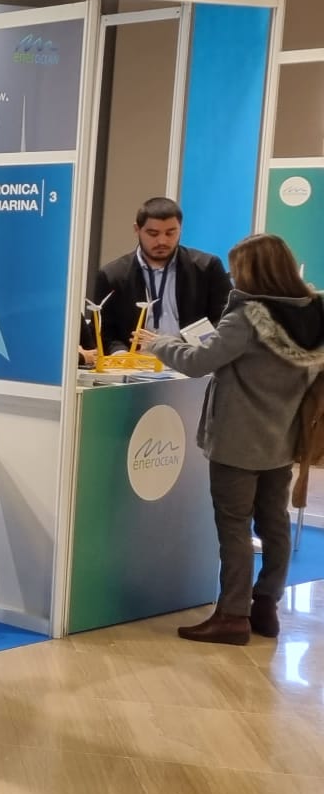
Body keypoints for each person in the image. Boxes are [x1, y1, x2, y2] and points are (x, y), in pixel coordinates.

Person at [138, 234, 324, 645]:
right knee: (274, 523)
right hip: (284, 438)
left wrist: (161, 344)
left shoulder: (247, 317)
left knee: (234, 527)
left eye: (237, 268)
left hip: (238, 439)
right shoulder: (315, 314)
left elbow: (199, 361)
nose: (233, 276)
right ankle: (266, 605)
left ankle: (232, 615)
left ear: (254, 270)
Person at [84, 197, 231, 360]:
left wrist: (181, 348)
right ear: (137, 229)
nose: (162, 241)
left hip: (191, 361)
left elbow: (225, 320)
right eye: (153, 234)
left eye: (170, 233)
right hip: (134, 365)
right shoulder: (112, 275)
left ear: (180, 229)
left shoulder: (207, 267)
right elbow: (103, 331)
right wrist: (122, 355)